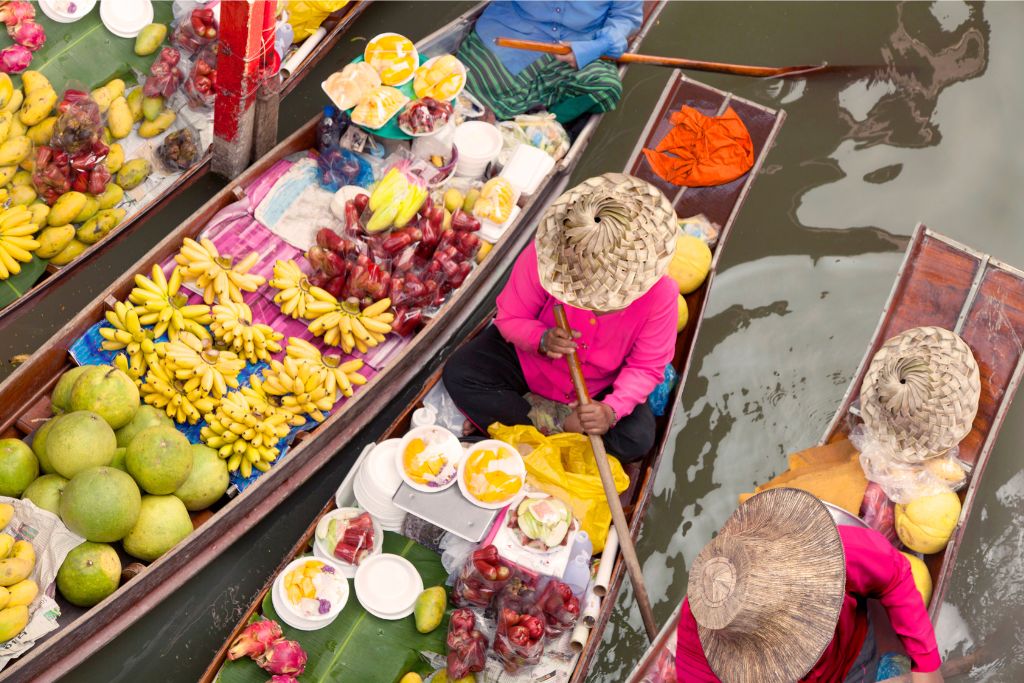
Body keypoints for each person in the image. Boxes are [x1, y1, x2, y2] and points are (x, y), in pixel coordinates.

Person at [443, 173, 678, 462]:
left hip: (597, 389)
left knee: (636, 440)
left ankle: (525, 429)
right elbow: (510, 318)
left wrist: (610, 410)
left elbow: (646, 366)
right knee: (460, 373)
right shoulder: (547, 256)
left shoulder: (662, 294)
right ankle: (558, 429)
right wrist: (540, 339)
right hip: (531, 366)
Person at [676, 488, 944, 683]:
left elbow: (894, 574)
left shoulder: (821, 554)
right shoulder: (703, 652)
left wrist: (926, 663)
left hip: (852, 650)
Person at [458, 1, 644, 123]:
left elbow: (625, 18)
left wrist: (599, 45)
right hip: (514, 26)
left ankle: (544, 126)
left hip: (581, 39)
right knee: (466, 80)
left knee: (605, 86)